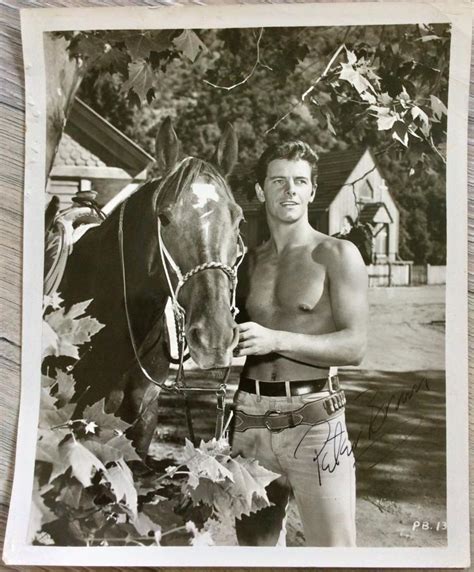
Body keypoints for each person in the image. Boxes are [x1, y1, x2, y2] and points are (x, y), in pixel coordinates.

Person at [231, 140, 368, 547]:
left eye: (299, 181)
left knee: (334, 552)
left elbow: (354, 347)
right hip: (249, 422)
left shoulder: (337, 254)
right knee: (254, 554)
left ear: (311, 191)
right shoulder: (246, 262)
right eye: (278, 181)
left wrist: (275, 339)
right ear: (260, 191)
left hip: (316, 422)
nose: (289, 190)